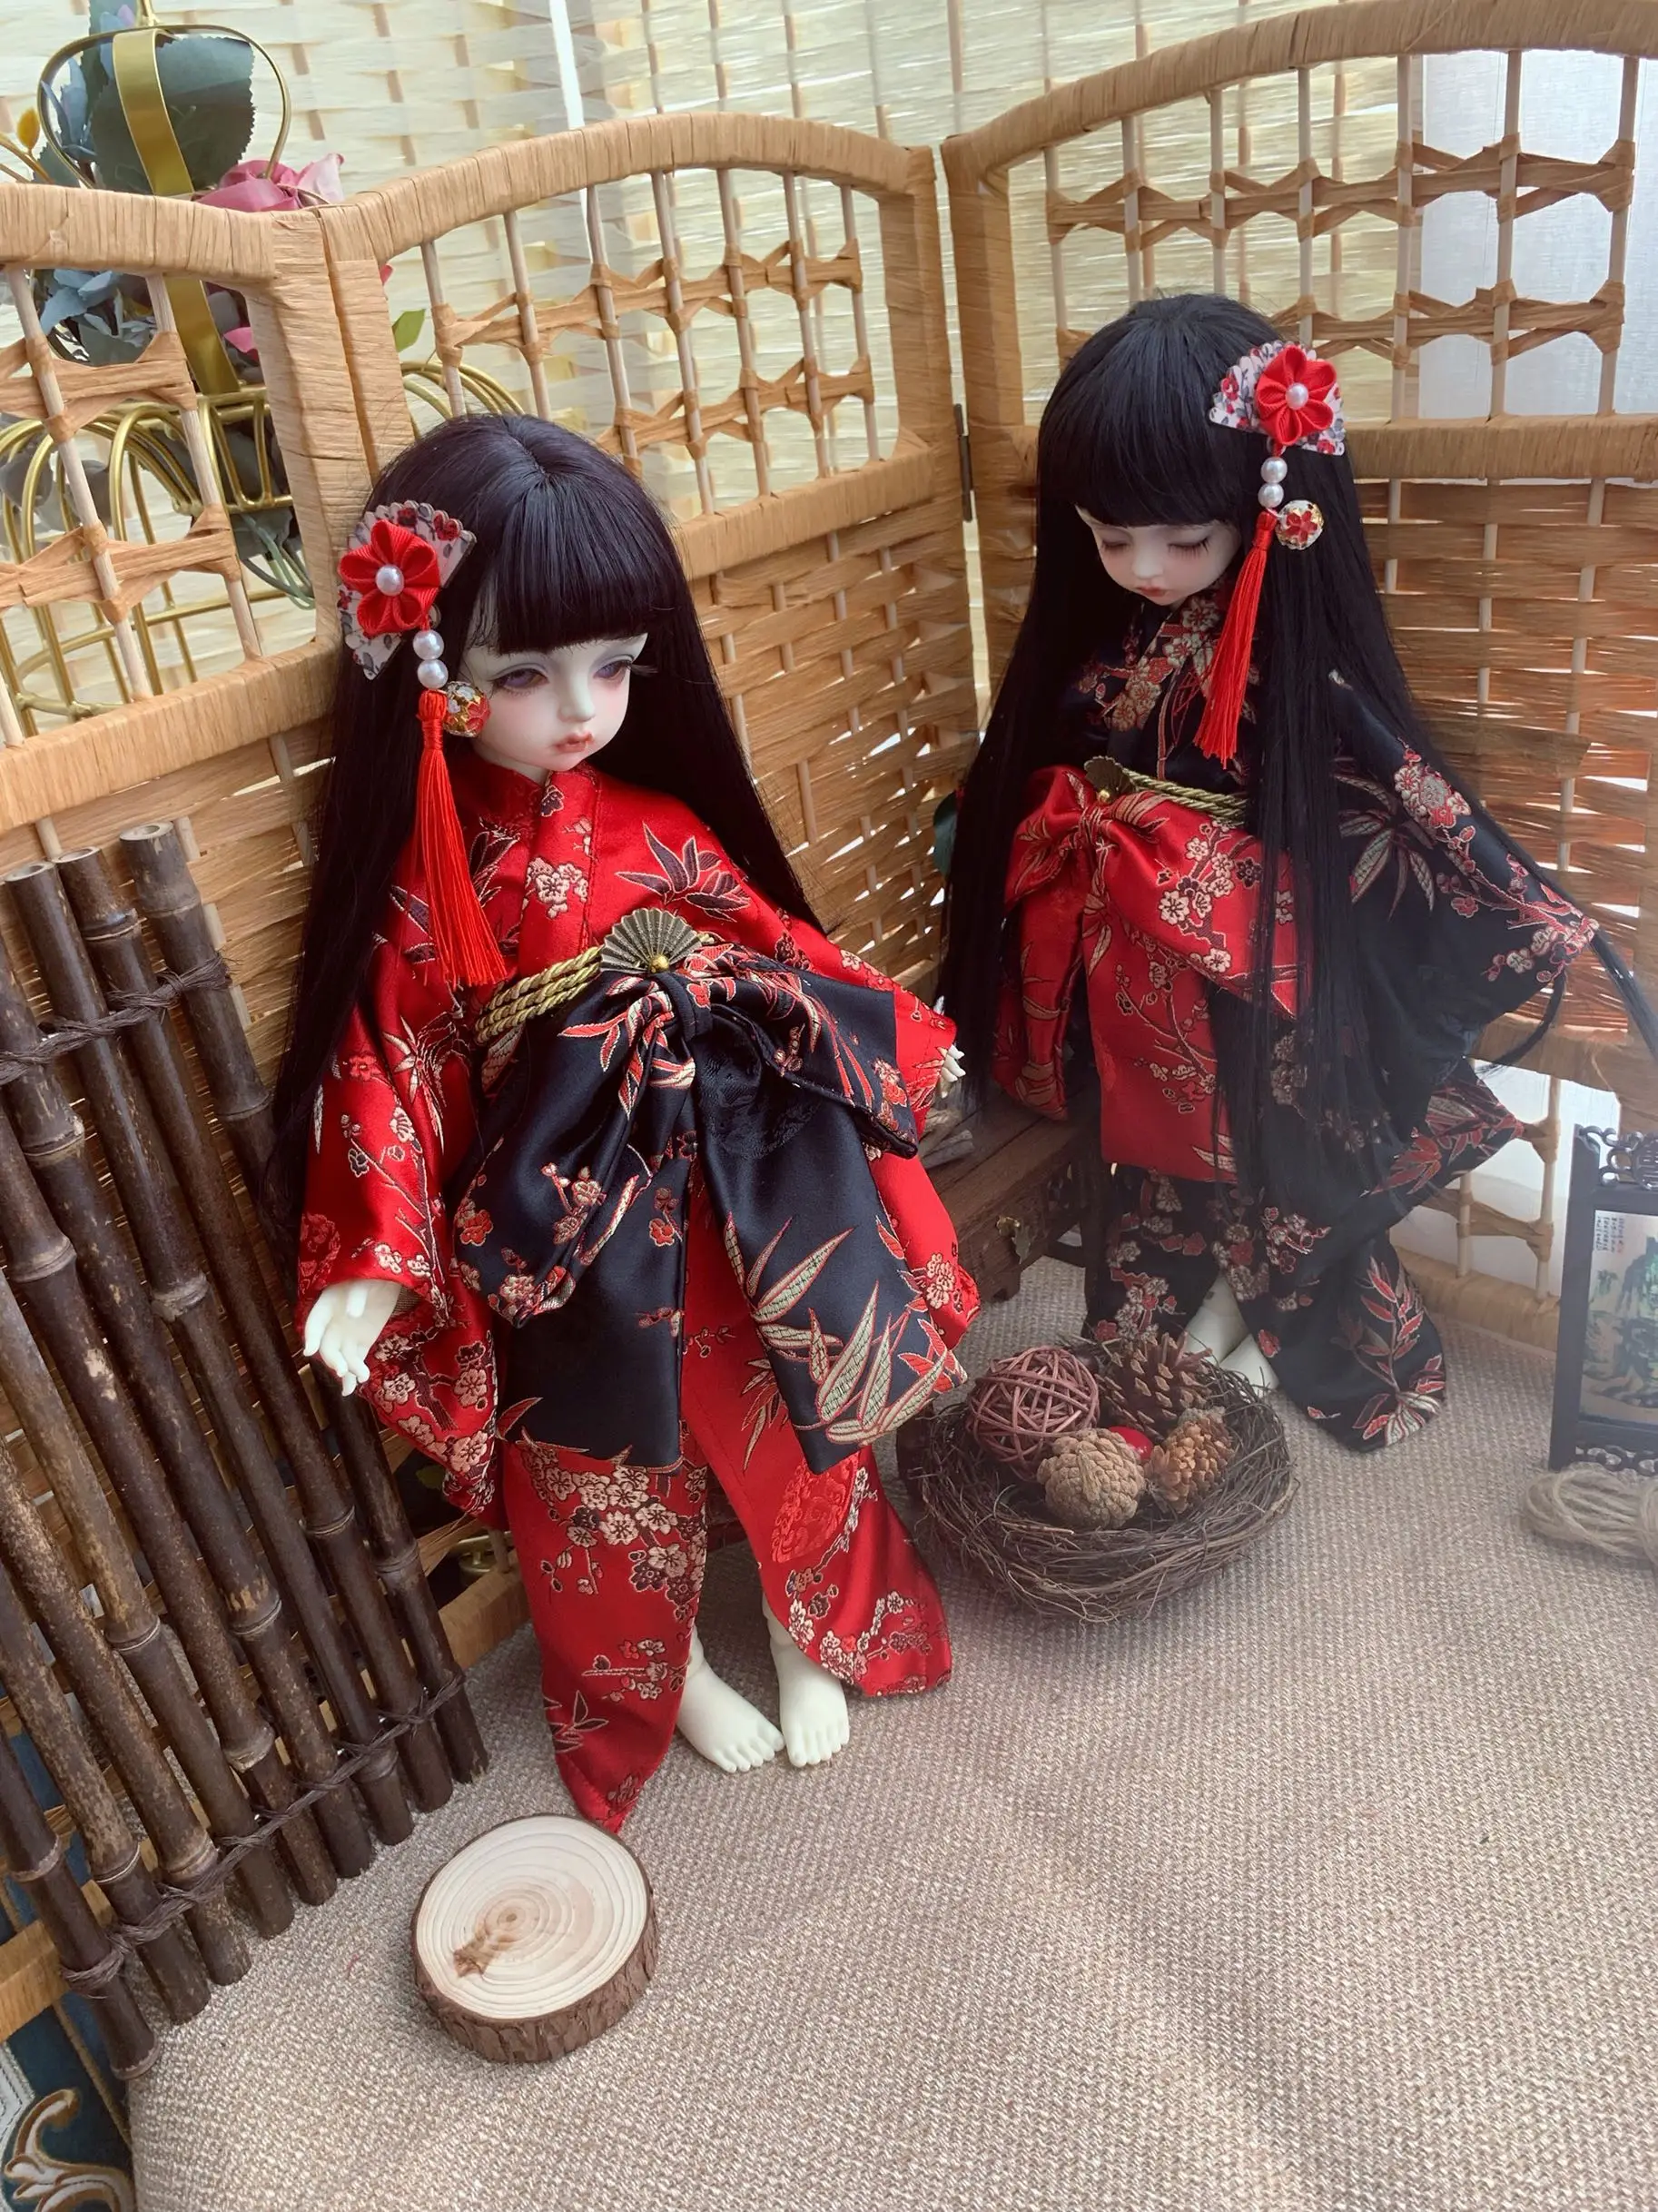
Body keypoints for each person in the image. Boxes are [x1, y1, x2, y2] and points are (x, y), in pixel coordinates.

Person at [270, 412, 976, 1830]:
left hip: (737, 1187)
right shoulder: (427, 886)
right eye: (523, 676)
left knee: (793, 1416)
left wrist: (893, 1036)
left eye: (612, 666)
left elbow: (775, 946)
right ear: (430, 672)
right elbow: (386, 1064)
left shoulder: (656, 821)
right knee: (595, 1475)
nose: (580, 710)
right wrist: (374, 1257)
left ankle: (805, 1628)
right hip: (564, 1223)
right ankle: (668, 1677)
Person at [941, 291, 1647, 1450]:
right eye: (1109, 538)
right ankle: (1176, 1324)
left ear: (1266, 508)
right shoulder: (1112, 639)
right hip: (1133, 955)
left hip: (1248, 956)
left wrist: (1513, 905)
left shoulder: (1286, 659)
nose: (1143, 568)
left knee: (1276, 1147)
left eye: (1182, 539)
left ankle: (1256, 1319)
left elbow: (1394, 791)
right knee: (1159, 1156)